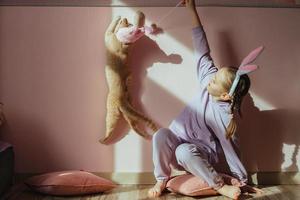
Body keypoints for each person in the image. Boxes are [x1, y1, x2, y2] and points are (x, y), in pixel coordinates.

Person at [148, 0, 263, 199]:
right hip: (176, 143)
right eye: (216, 73)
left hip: (196, 154)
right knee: (161, 134)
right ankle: (161, 179)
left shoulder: (225, 117)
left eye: (216, 79)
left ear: (226, 95)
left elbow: (232, 151)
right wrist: (191, 9)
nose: (212, 77)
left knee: (184, 151)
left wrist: (241, 182)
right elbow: (202, 48)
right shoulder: (208, 80)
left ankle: (219, 185)